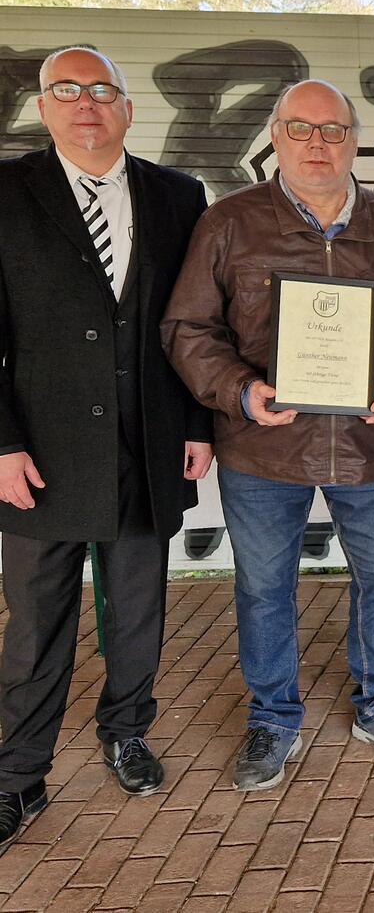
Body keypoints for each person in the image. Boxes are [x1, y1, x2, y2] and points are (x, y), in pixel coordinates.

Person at [162, 79, 374, 791]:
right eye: (301, 128)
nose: (318, 143)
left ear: (354, 141)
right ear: (276, 138)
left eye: (333, 130)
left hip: (367, 447)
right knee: (265, 587)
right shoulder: (228, 223)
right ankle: (273, 717)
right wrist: (240, 390)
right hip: (262, 449)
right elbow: (188, 328)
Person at [0, 47, 213, 848]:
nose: (85, 102)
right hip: (39, 455)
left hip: (147, 445)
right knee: (34, 625)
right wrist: (1, 443)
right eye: (67, 89)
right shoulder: (6, 191)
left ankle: (127, 731)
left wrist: (198, 424)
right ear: (44, 107)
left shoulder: (178, 195)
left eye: (101, 89)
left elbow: (196, 323)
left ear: (127, 107)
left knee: (136, 610)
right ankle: (18, 775)